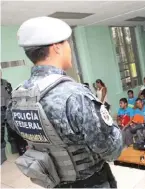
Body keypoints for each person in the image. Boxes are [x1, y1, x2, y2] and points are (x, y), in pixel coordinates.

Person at [6, 16, 122, 188]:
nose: (70, 47)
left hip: (53, 181)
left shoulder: (17, 98)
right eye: (68, 43)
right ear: (57, 47)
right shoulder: (75, 95)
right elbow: (111, 150)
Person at [1, 76, 28, 164]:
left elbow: (11, 96)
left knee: (14, 130)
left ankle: (19, 150)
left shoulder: (6, 83)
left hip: (8, 109)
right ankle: (2, 157)